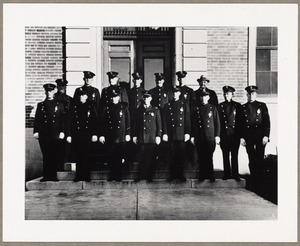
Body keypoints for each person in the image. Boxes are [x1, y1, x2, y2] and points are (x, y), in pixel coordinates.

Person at [240, 85, 270, 193]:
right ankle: (254, 181)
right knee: (251, 160)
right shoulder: (243, 108)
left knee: (259, 159)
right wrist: (242, 137)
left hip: (260, 138)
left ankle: (260, 182)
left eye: (253, 94)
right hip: (249, 138)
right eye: (249, 94)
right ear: (247, 95)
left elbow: (266, 122)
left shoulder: (262, 106)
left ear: (255, 94)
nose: (251, 96)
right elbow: (241, 124)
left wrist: (266, 135)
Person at [33, 83, 65, 182]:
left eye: (50, 91)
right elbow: (37, 120)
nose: (49, 93)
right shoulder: (41, 105)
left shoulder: (59, 104)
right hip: (44, 134)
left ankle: (53, 176)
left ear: (54, 91)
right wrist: (36, 131)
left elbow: (63, 119)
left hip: (55, 134)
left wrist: (62, 131)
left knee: (54, 155)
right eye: (47, 91)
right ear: (45, 92)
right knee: (46, 155)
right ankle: (46, 176)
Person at [66, 89, 98, 182]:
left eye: (83, 95)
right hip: (77, 134)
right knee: (78, 156)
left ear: (86, 97)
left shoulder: (91, 107)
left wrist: (95, 133)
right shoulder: (74, 107)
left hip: (87, 134)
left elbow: (95, 121)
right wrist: (69, 135)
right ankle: (79, 175)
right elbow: (69, 121)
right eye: (80, 95)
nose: (81, 97)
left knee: (87, 155)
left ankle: (86, 175)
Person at [99, 89, 131, 181]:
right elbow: (102, 122)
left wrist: (128, 133)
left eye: (116, 97)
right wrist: (102, 134)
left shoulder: (124, 107)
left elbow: (128, 122)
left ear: (118, 98)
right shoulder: (107, 108)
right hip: (110, 135)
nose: (114, 99)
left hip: (120, 135)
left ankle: (118, 175)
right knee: (111, 156)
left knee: (119, 155)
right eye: (112, 97)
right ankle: (112, 175)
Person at [191, 90, 221, 182]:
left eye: (205, 97)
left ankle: (210, 175)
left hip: (210, 136)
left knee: (209, 156)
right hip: (199, 136)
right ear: (200, 98)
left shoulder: (213, 108)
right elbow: (193, 124)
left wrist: (217, 135)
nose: (203, 99)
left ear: (208, 98)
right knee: (201, 157)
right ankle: (202, 175)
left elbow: (217, 123)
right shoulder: (196, 109)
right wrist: (193, 136)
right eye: (202, 97)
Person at [162, 87, 191, 182]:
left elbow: (187, 120)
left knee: (181, 155)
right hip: (171, 134)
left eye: (177, 93)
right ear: (171, 94)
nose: (175, 94)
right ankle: (172, 175)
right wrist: (165, 133)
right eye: (173, 93)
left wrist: (187, 132)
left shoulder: (184, 104)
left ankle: (180, 175)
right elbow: (165, 121)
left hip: (181, 133)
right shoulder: (167, 105)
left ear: (179, 94)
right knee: (172, 155)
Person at [132, 92, 162, 182]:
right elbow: (135, 124)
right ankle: (141, 175)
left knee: (151, 158)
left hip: (151, 137)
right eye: (144, 98)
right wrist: (134, 136)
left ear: (151, 99)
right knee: (141, 157)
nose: (146, 100)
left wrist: (158, 136)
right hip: (141, 137)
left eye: (148, 98)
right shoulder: (139, 110)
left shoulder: (155, 110)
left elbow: (159, 124)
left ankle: (149, 176)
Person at [218, 86, 243, 181]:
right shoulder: (220, 106)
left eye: (228, 94)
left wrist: (240, 136)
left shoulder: (237, 106)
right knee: (225, 155)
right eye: (224, 94)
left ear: (232, 95)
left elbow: (241, 122)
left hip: (234, 135)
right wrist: (219, 135)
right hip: (224, 135)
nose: (226, 95)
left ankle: (235, 174)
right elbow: (219, 122)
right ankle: (227, 174)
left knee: (234, 155)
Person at [54, 78, 73, 171]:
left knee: (67, 147)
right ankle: (57, 167)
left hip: (67, 125)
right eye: (60, 86)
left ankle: (65, 166)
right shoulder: (53, 98)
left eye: (63, 86)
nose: (62, 88)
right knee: (56, 147)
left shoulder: (69, 99)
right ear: (57, 87)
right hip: (56, 126)